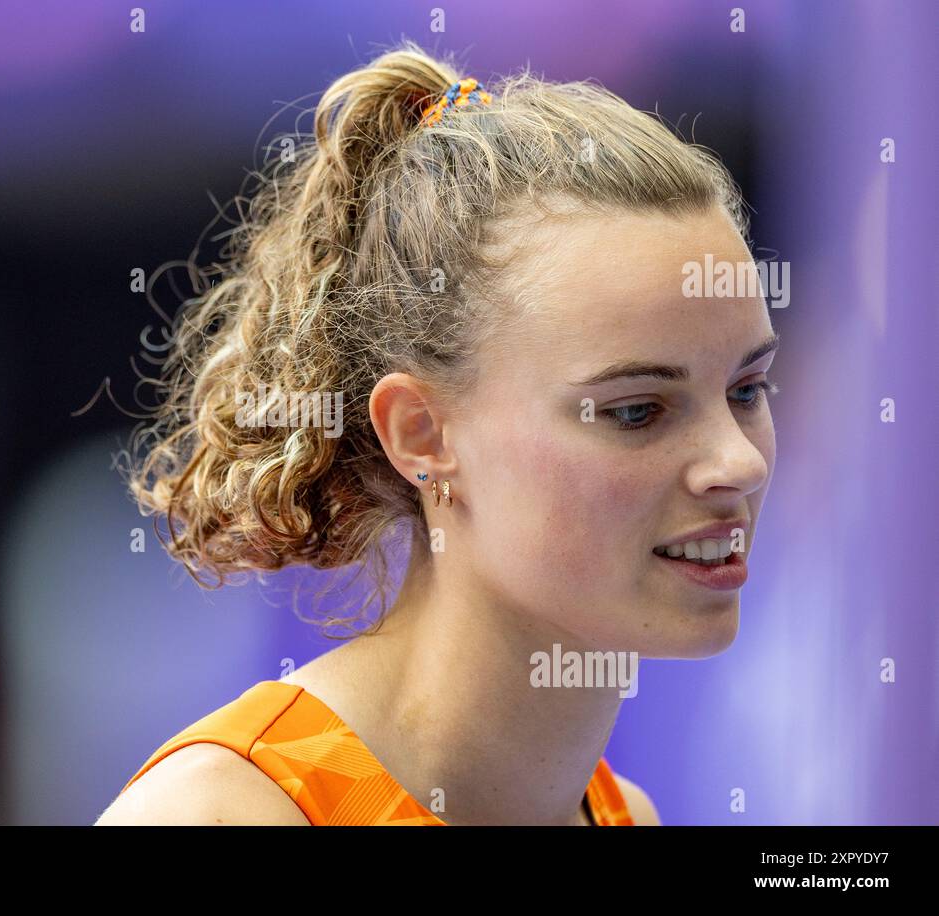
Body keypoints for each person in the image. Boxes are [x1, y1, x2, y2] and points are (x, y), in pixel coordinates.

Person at [97, 40, 776, 826]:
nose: (739, 462)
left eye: (748, 389)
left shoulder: (627, 816)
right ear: (422, 436)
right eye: (635, 411)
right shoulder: (223, 814)